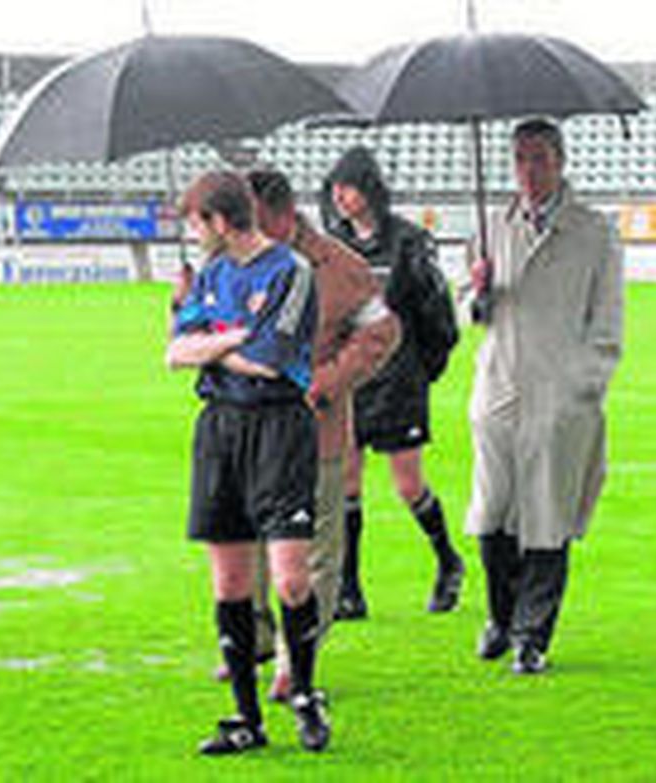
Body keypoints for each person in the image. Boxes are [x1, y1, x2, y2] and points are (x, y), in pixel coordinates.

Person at [216, 168, 400, 702]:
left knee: (316, 553)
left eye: (252, 219)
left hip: (315, 433)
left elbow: (382, 331)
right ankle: (255, 641)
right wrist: (184, 304)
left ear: (283, 214)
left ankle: (298, 659)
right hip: (245, 431)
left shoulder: (342, 268)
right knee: (245, 541)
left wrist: (330, 380)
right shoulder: (227, 262)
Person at [166, 170, 329, 755]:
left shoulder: (291, 270)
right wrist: (225, 341)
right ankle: (246, 717)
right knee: (230, 580)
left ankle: (306, 694)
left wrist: (214, 345)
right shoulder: (210, 274)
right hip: (219, 431)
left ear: (217, 219)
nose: (194, 234)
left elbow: (270, 361)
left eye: (195, 222)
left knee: (289, 578)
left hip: (280, 428)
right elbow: (173, 352)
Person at [461, 118, 623, 675]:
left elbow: (608, 322)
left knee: (548, 516)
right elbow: (471, 313)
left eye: (538, 159)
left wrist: (583, 385)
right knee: (491, 515)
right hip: (500, 385)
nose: (528, 171)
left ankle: (533, 634)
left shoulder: (594, 231)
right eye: (520, 160)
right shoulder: (490, 227)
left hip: (560, 391)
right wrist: (478, 292)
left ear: (560, 162)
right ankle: (500, 617)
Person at [321, 146, 464, 620]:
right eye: (335, 188)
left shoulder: (408, 242)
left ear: (369, 188)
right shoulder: (332, 245)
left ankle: (448, 562)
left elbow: (435, 313)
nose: (339, 196)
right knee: (348, 482)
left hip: (399, 381)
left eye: (348, 186)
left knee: (408, 485)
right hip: (351, 379)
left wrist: (424, 369)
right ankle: (350, 587)